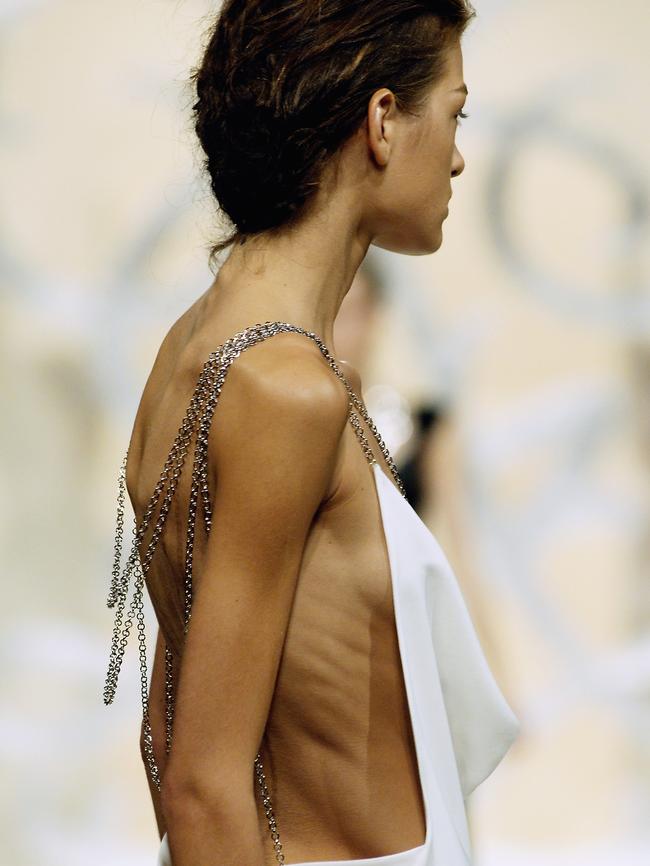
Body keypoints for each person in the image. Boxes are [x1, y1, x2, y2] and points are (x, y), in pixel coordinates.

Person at [103, 2, 520, 865]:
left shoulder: (202, 343)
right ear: (382, 120)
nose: (458, 153)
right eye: (455, 111)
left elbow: (166, 721)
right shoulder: (285, 389)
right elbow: (200, 779)